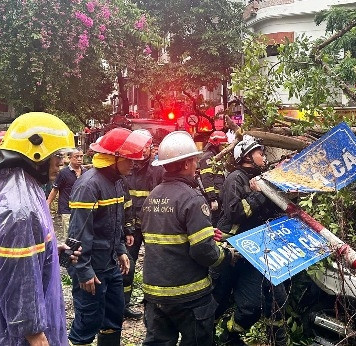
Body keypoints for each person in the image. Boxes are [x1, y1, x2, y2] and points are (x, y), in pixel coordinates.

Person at [0, 112, 76, 345]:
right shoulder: (20, 209)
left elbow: (10, 257)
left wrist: (52, 251)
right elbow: (17, 275)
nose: (61, 163)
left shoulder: (17, 191)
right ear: (36, 154)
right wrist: (33, 332)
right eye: (56, 156)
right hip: (19, 335)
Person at [140, 131, 233, 346]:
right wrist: (226, 256)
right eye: (194, 161)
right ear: (185, 164)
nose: (196, 166)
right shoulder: (192, 199)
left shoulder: (152, 196)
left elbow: (163, 237)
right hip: (190, 295)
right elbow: (203, 250)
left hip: (155, 294)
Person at [67, 128, 151, 346]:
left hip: (110, 263)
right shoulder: (89, 185)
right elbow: (78, 235)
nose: (134, 164)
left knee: (113, 317)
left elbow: (115, 223)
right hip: (92, 267)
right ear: (113, 158)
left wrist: (121, 250)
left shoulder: (116, 182)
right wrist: (84, 271)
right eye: (129, 159)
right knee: (88, 321)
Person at [215, 135, 287, 346]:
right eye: (260, 153)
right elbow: (236, 212)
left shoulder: (260, 179)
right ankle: (208, 336)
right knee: (217, 299)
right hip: (230, 249)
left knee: (255, 303)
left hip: (255, 250)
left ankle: (230, 337)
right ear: (247, 156)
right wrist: (259, 194)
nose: (263, 157)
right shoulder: (235, 179)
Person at [121, 129, 164, 319]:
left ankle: (154, 303)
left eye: (147, 146)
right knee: (127, 265)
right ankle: (123, 305)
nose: (144, 150)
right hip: (131, 228)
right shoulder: (126, 168)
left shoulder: (158, 169)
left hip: (152, 226)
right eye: (141, 146)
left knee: (156, 263)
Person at [47, 148, 85, 238]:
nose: (79, 159)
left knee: (81, 234)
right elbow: (55, 189)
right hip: (66, 209)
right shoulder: (63, 173)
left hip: (81, 208)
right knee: (69, 234)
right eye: (76, 157)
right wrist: (47, 202)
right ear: (70, 158)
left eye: (81, 156)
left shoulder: (85, 172)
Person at [197, 130, 228, 225]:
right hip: (213, 199)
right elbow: (207, 178)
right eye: (222, 145)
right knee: (213, 222)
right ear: (216, 144)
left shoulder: (216, 157)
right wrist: (212, 199)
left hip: (219, 197)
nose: (224, 148)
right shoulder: (208, 158)